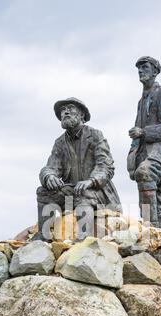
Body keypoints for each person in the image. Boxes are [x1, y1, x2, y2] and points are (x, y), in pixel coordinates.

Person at [35, 97, 121, 240]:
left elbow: (106, 166)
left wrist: (91, 181)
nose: (65, 112)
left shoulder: (95, 135)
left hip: (97, 193)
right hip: (71, 195)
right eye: (62, 110)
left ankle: (84, 239)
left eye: (70, 108)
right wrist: (49, 176)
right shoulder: (59, 143)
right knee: (43, 192)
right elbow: (51, 167)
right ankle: (44, 237)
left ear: (82, 114)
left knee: (83, 193)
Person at [127, 56, 161, 227]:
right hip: (145, 153)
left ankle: (149, 227)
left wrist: (144, 132)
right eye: (139, 68)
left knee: (145, 173)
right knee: (154, 191)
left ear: (155, 71)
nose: (140, 70)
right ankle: (154, 228)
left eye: (145, 67)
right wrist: (131, 158)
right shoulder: (141, 101)